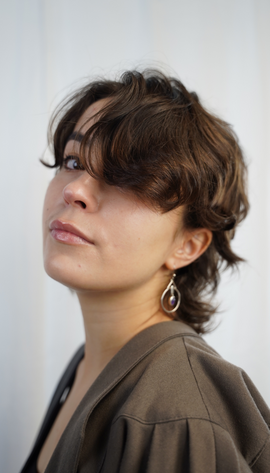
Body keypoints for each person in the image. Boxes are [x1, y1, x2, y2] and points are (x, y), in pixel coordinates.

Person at [21, 69, 270, 473]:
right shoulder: (91, 364)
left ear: (187, 245)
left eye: (125, 178)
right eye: (72, 160)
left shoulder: (177, 413)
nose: (75, 190)